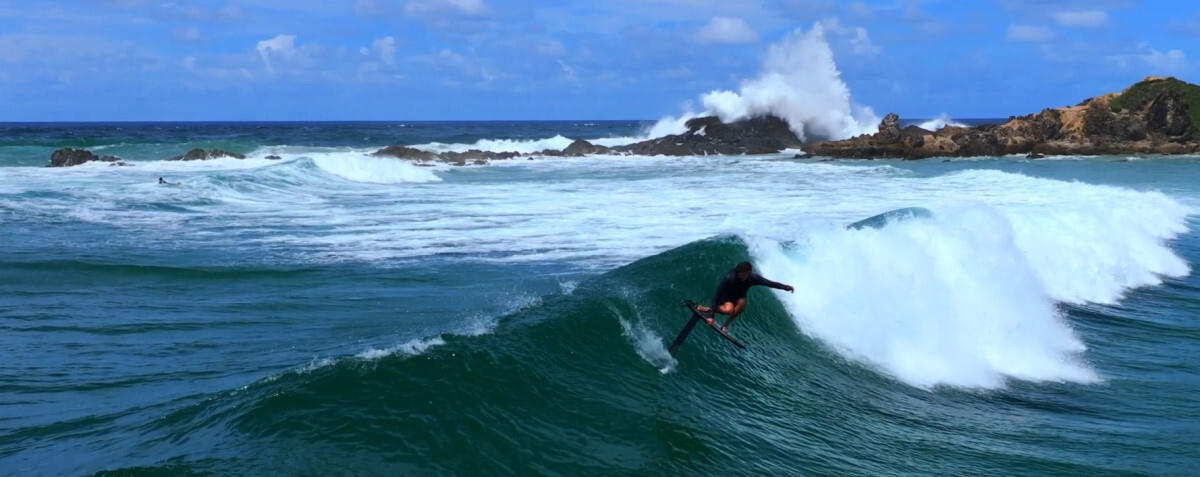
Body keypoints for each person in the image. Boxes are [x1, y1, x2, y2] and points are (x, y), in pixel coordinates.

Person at [696, 261, 793, 332]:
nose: (741, 276)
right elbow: (717, 295)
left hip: (739, 298)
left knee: (742, 302)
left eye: (744, 274)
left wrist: (785, 287)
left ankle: (726, 325)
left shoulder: (753, 278)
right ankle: (709, 310)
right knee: (729, 310)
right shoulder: (730, 278)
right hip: (727, 298)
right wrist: (711, 316)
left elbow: (769, 283)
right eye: (740, 274)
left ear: (749, 272)